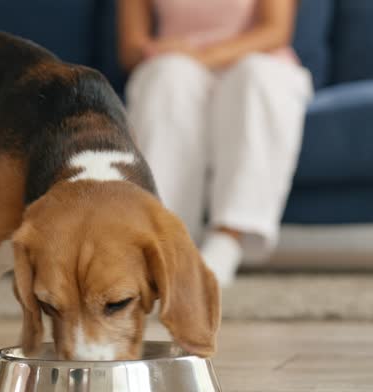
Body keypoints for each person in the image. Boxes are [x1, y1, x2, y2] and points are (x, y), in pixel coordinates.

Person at [118, 0, 313, 287]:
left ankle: (228, 239)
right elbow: (131, 48)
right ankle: (164, 240)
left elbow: (275, 31)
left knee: (257, 75)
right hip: (178, 66)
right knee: (169, 77)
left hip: (253, 60)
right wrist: (156, 51)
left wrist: (203, 55)